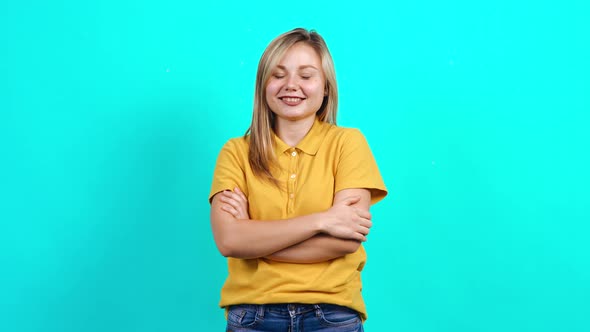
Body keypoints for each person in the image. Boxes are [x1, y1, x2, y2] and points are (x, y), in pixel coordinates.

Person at [209, 27, 387, 332]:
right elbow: (229, 241)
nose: (291, 85)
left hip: (332, 315)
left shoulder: (349, 144)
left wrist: (253, 240)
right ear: (263, 84)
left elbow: (345, 241)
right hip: (253, 316)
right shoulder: (236, 152)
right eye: (278, 75)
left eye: (306, 75)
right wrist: (322, 221)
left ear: (326, 86)